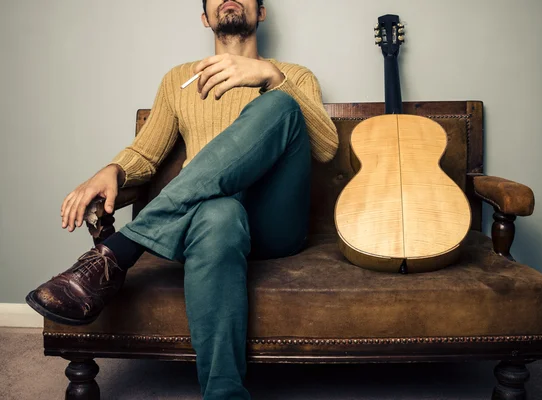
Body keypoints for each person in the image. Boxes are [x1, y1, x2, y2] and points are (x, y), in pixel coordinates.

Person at [25, 0, 339, 398]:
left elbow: (327, 148)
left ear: (261, 13)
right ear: (205, 18)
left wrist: (271, 77)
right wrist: (114, 170)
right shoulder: (178, 80)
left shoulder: (292, 75)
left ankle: (123, 247)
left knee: (280, 104)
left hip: (273, 222)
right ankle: (224, 392)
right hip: (211, 223)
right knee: (219, 212)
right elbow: (145, 154)